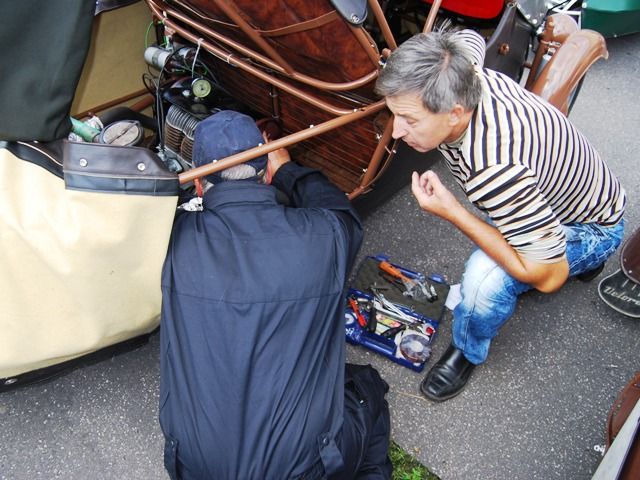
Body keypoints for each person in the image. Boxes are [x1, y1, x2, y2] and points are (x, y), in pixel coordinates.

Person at [374, 30, 626, 402]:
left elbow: (549, 276)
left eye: (409, 119)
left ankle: (469, 347)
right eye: (394, 114)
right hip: (576, 193)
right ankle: (571, 257)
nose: (395, 131)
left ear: (455, 112)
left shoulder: (496, 172)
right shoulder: (460, 64)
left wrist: (453, 211)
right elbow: (470, 36)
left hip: (591, 226)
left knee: (482, 280)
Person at [159, 110, 393, 479]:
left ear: (200, 187)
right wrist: (287, 168)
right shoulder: (327, 234)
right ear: (265, 173)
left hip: (194, 465)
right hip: (306, 467)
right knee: (367, 387)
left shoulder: (169, 242)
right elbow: (342, 212)